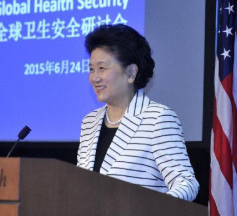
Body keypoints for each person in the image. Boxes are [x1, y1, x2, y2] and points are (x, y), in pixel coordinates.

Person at [77, 24, 199, 201]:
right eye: (91, 69)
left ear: (131, 72)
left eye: (102, 68)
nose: (94, 77)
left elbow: (186, 183)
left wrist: (155, 210)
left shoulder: (158, 118)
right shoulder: (89, 122)